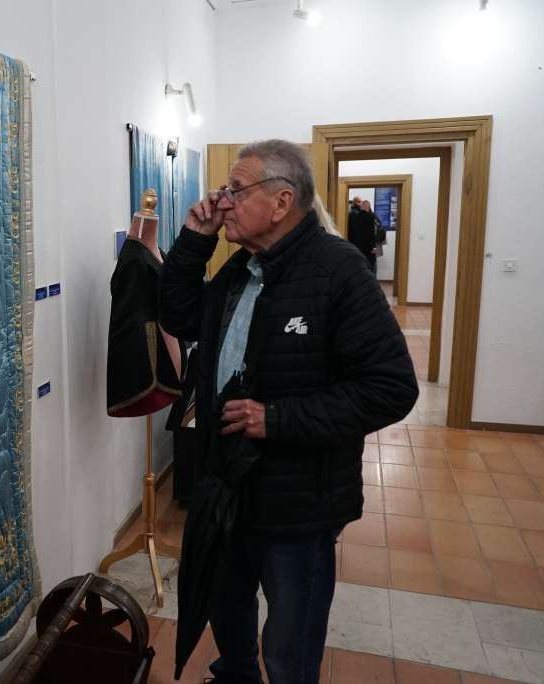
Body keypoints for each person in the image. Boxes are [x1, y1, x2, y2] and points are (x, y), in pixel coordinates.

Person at [159, 140, 418, 683]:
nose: (222, 201)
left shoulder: (339, 271)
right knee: (227, 611)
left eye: (236, 189)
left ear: (281, 202)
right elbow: (178, 317)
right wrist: (194, 241)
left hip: (298, 500)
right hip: (226, 487)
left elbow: (392, 388)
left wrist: (276, 419)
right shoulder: (239, 271)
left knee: (289, 648)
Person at [347, 197, 377, 272]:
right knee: (371, 267)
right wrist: (373, 247)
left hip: (357, 246)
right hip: (368, 247)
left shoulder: (355, 216)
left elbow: (351, 232)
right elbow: (370, 233)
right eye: (359, 202)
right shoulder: (370, 216)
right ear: (368, 207)